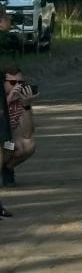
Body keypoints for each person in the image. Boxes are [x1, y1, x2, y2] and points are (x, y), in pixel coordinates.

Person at [2, 66, 37, 194]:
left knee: (27, 144)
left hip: (5, 144)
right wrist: (8, 100)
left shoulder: (20, 101)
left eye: (20, 83)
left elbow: (27, 133)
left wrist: (26, 106)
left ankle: (7, 169)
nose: (16, 86)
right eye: (12, 83)